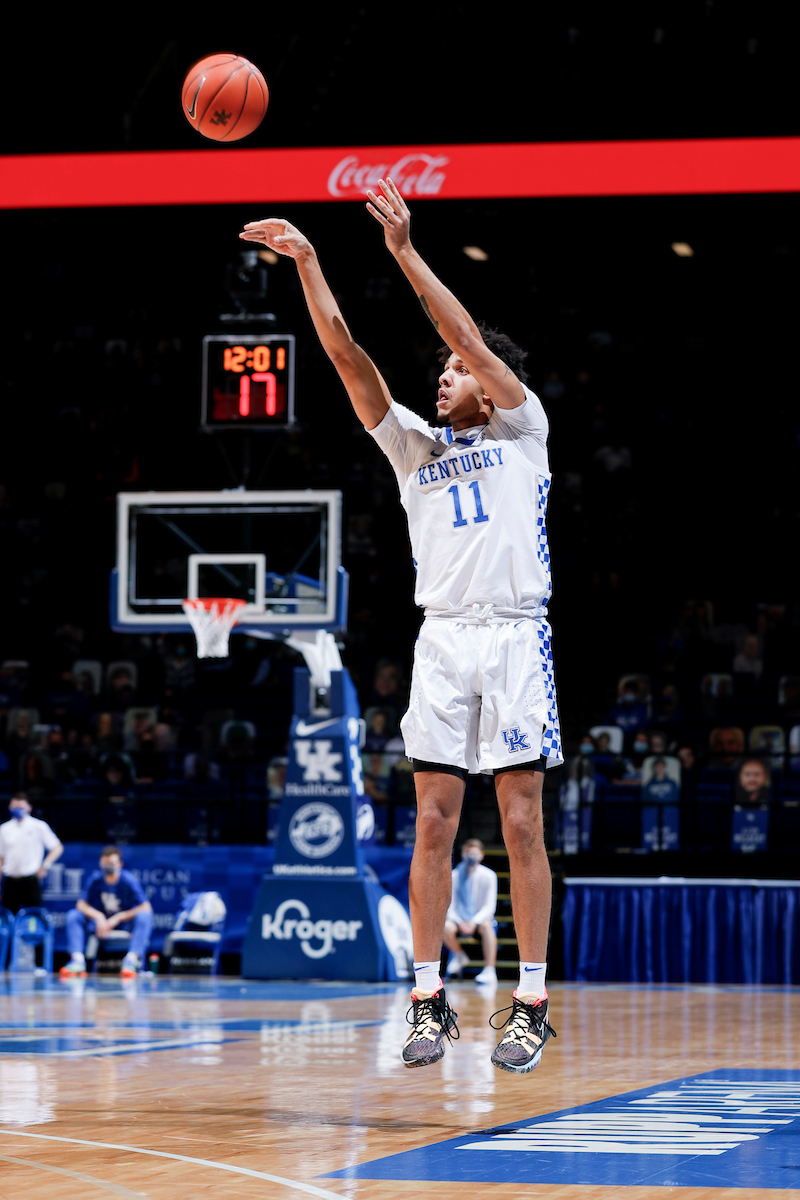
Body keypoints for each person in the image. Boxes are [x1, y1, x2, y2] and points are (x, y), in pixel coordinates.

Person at [241, 178, 560, 1075]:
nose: (443, 374)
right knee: (430, 823)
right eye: (443, 372)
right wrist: (308, 264)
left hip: (512, 633)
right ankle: (428, 999)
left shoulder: (524, 430)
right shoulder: (416, 449)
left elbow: (463, 335)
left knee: (522, 823)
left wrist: (405, 252)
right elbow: (349, 360)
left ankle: (529, 1000)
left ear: (493, 390)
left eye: (456, 372)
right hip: (443, 637)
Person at [60, 845, 152, 978]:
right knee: (73, 915)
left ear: (120, 864)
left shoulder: (128, 880)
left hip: (123, 924)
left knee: (144, 917)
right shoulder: (95, 880)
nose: (109, 866)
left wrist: (119, 917)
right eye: (106, 863)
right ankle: (77, 961)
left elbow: (146, 907)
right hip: (99, 925)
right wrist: (98, 916)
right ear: (100, 863)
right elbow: (80, 904)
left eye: (112, 863)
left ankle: (131, 960)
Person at [0, 792, 63, 975]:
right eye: (14, 806)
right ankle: (5, 963)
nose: (17, 809)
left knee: (36, 920)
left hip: (30, 881)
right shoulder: (4, 829)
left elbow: (57, 846)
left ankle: (39, 964)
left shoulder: (38, 826)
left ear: (28, 807)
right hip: (10, 880)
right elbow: (1, 857)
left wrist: (46, 865)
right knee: (7, 922)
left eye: (21, 806)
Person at [444, 839, 499, 985]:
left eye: (474, 852)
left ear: (481, 855)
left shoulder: (489, 875)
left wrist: (474, 922)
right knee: (445, 927)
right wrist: (460, 921)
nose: (470, 855)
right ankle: (459, 954)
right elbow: (450, 905)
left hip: (479, 920)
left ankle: (489, 970)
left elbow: (489, 906)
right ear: (462, 854)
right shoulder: (454, 875)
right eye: (467, 852)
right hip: (460, 920)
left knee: (488, 926)